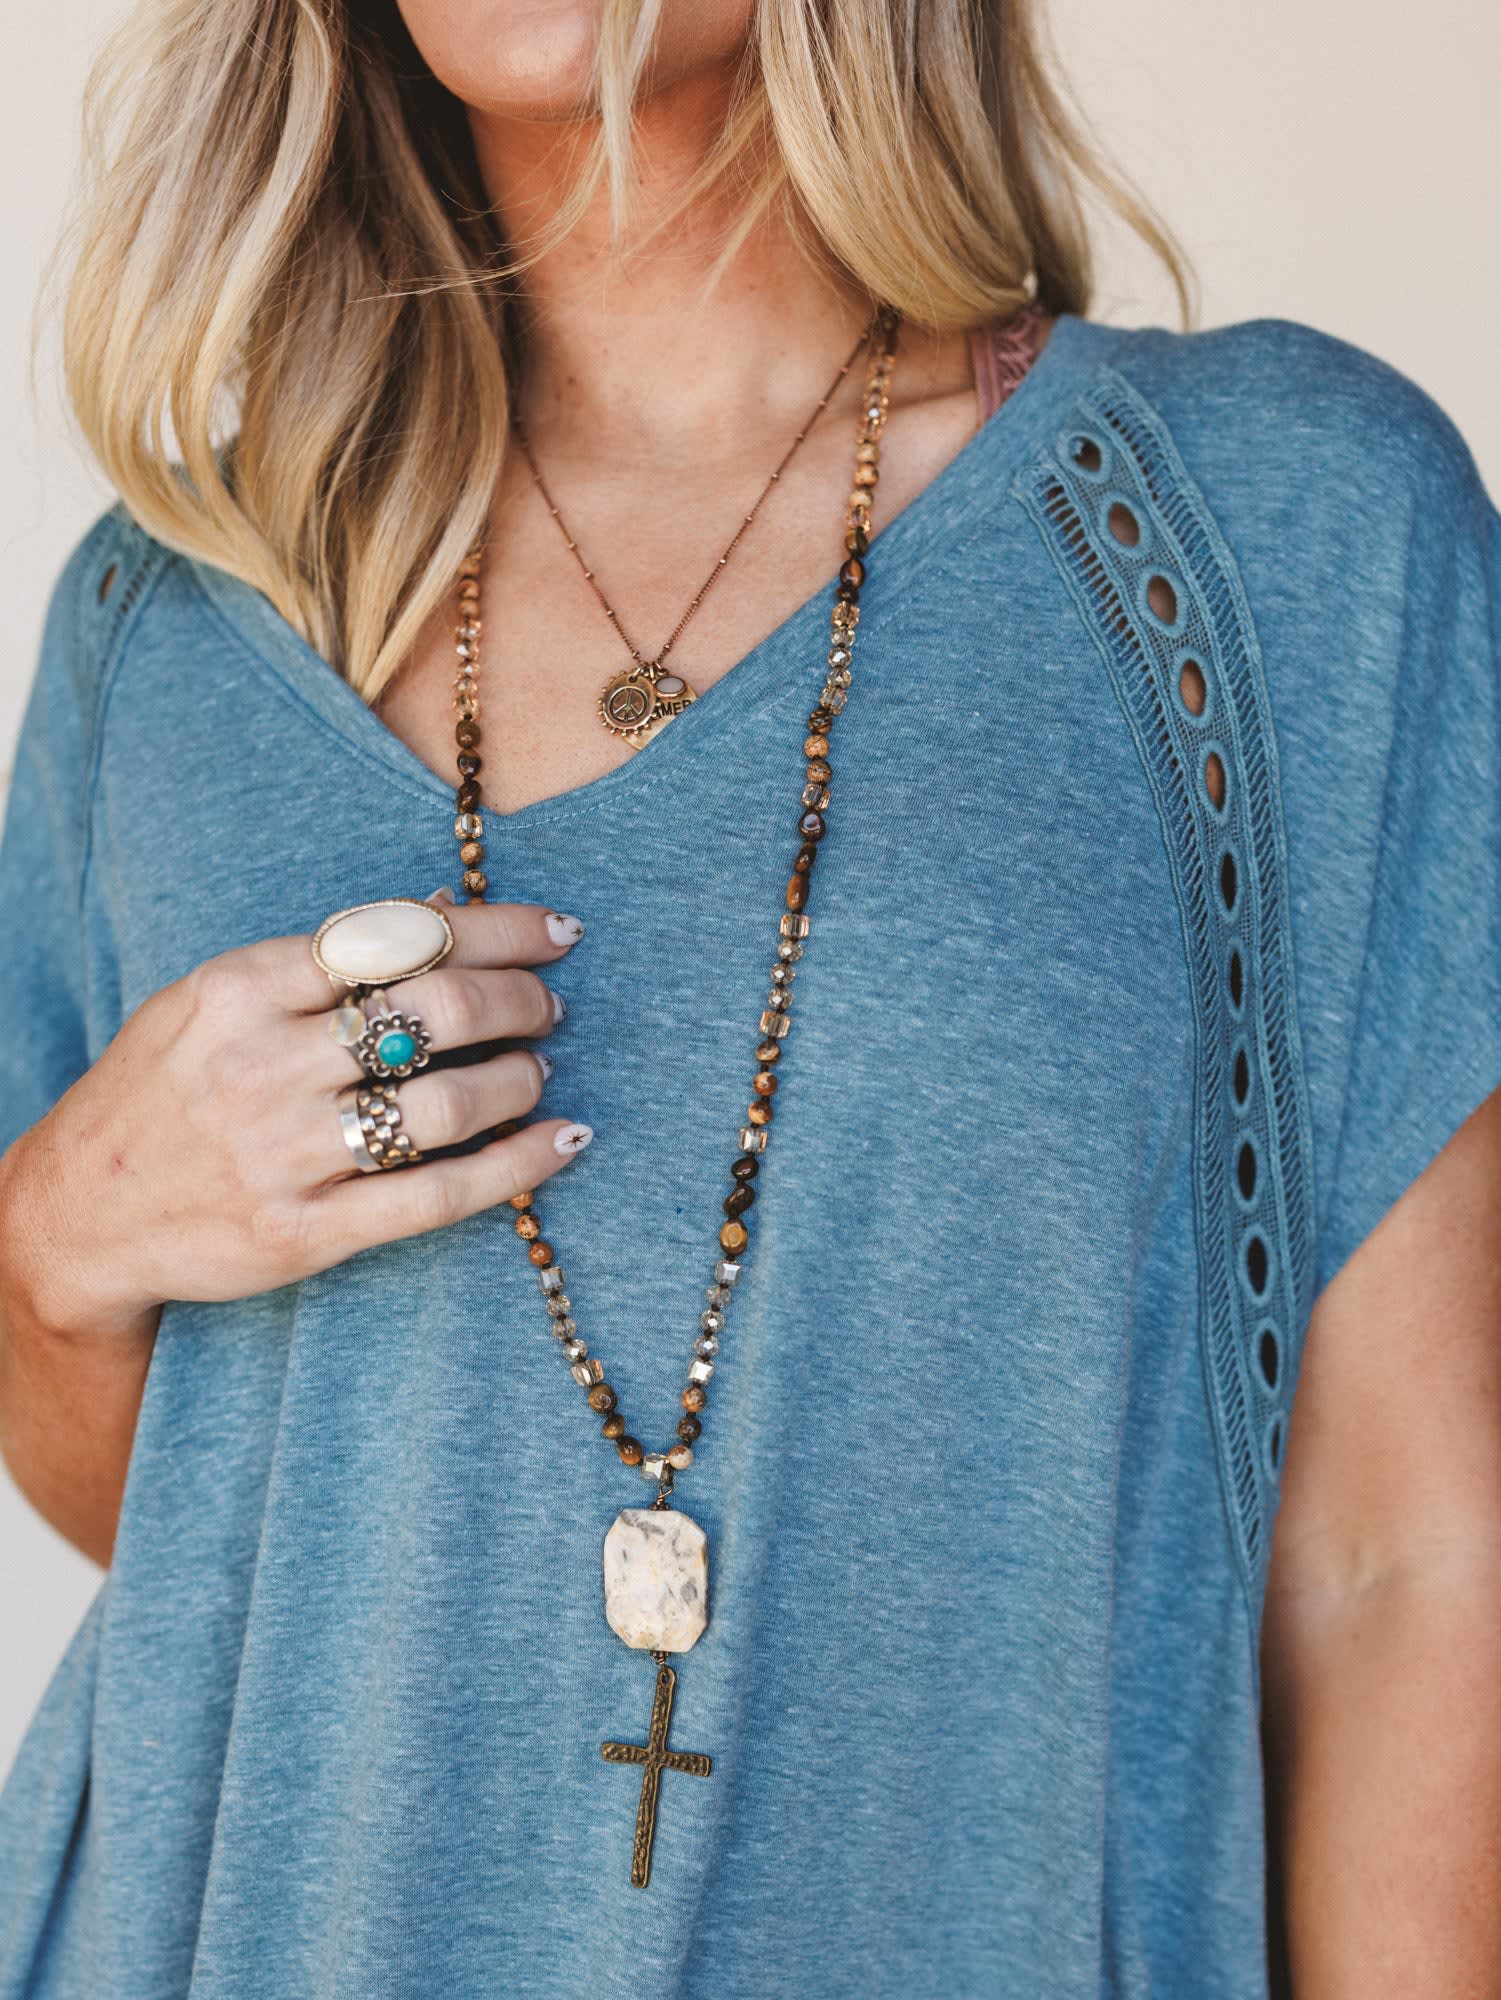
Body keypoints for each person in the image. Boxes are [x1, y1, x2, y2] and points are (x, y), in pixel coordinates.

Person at [1, 1, 1498, 1994]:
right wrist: (54, 1246)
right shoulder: (168, 612)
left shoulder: (1271, 533)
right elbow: (218, 1530)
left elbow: (1399, 1566)